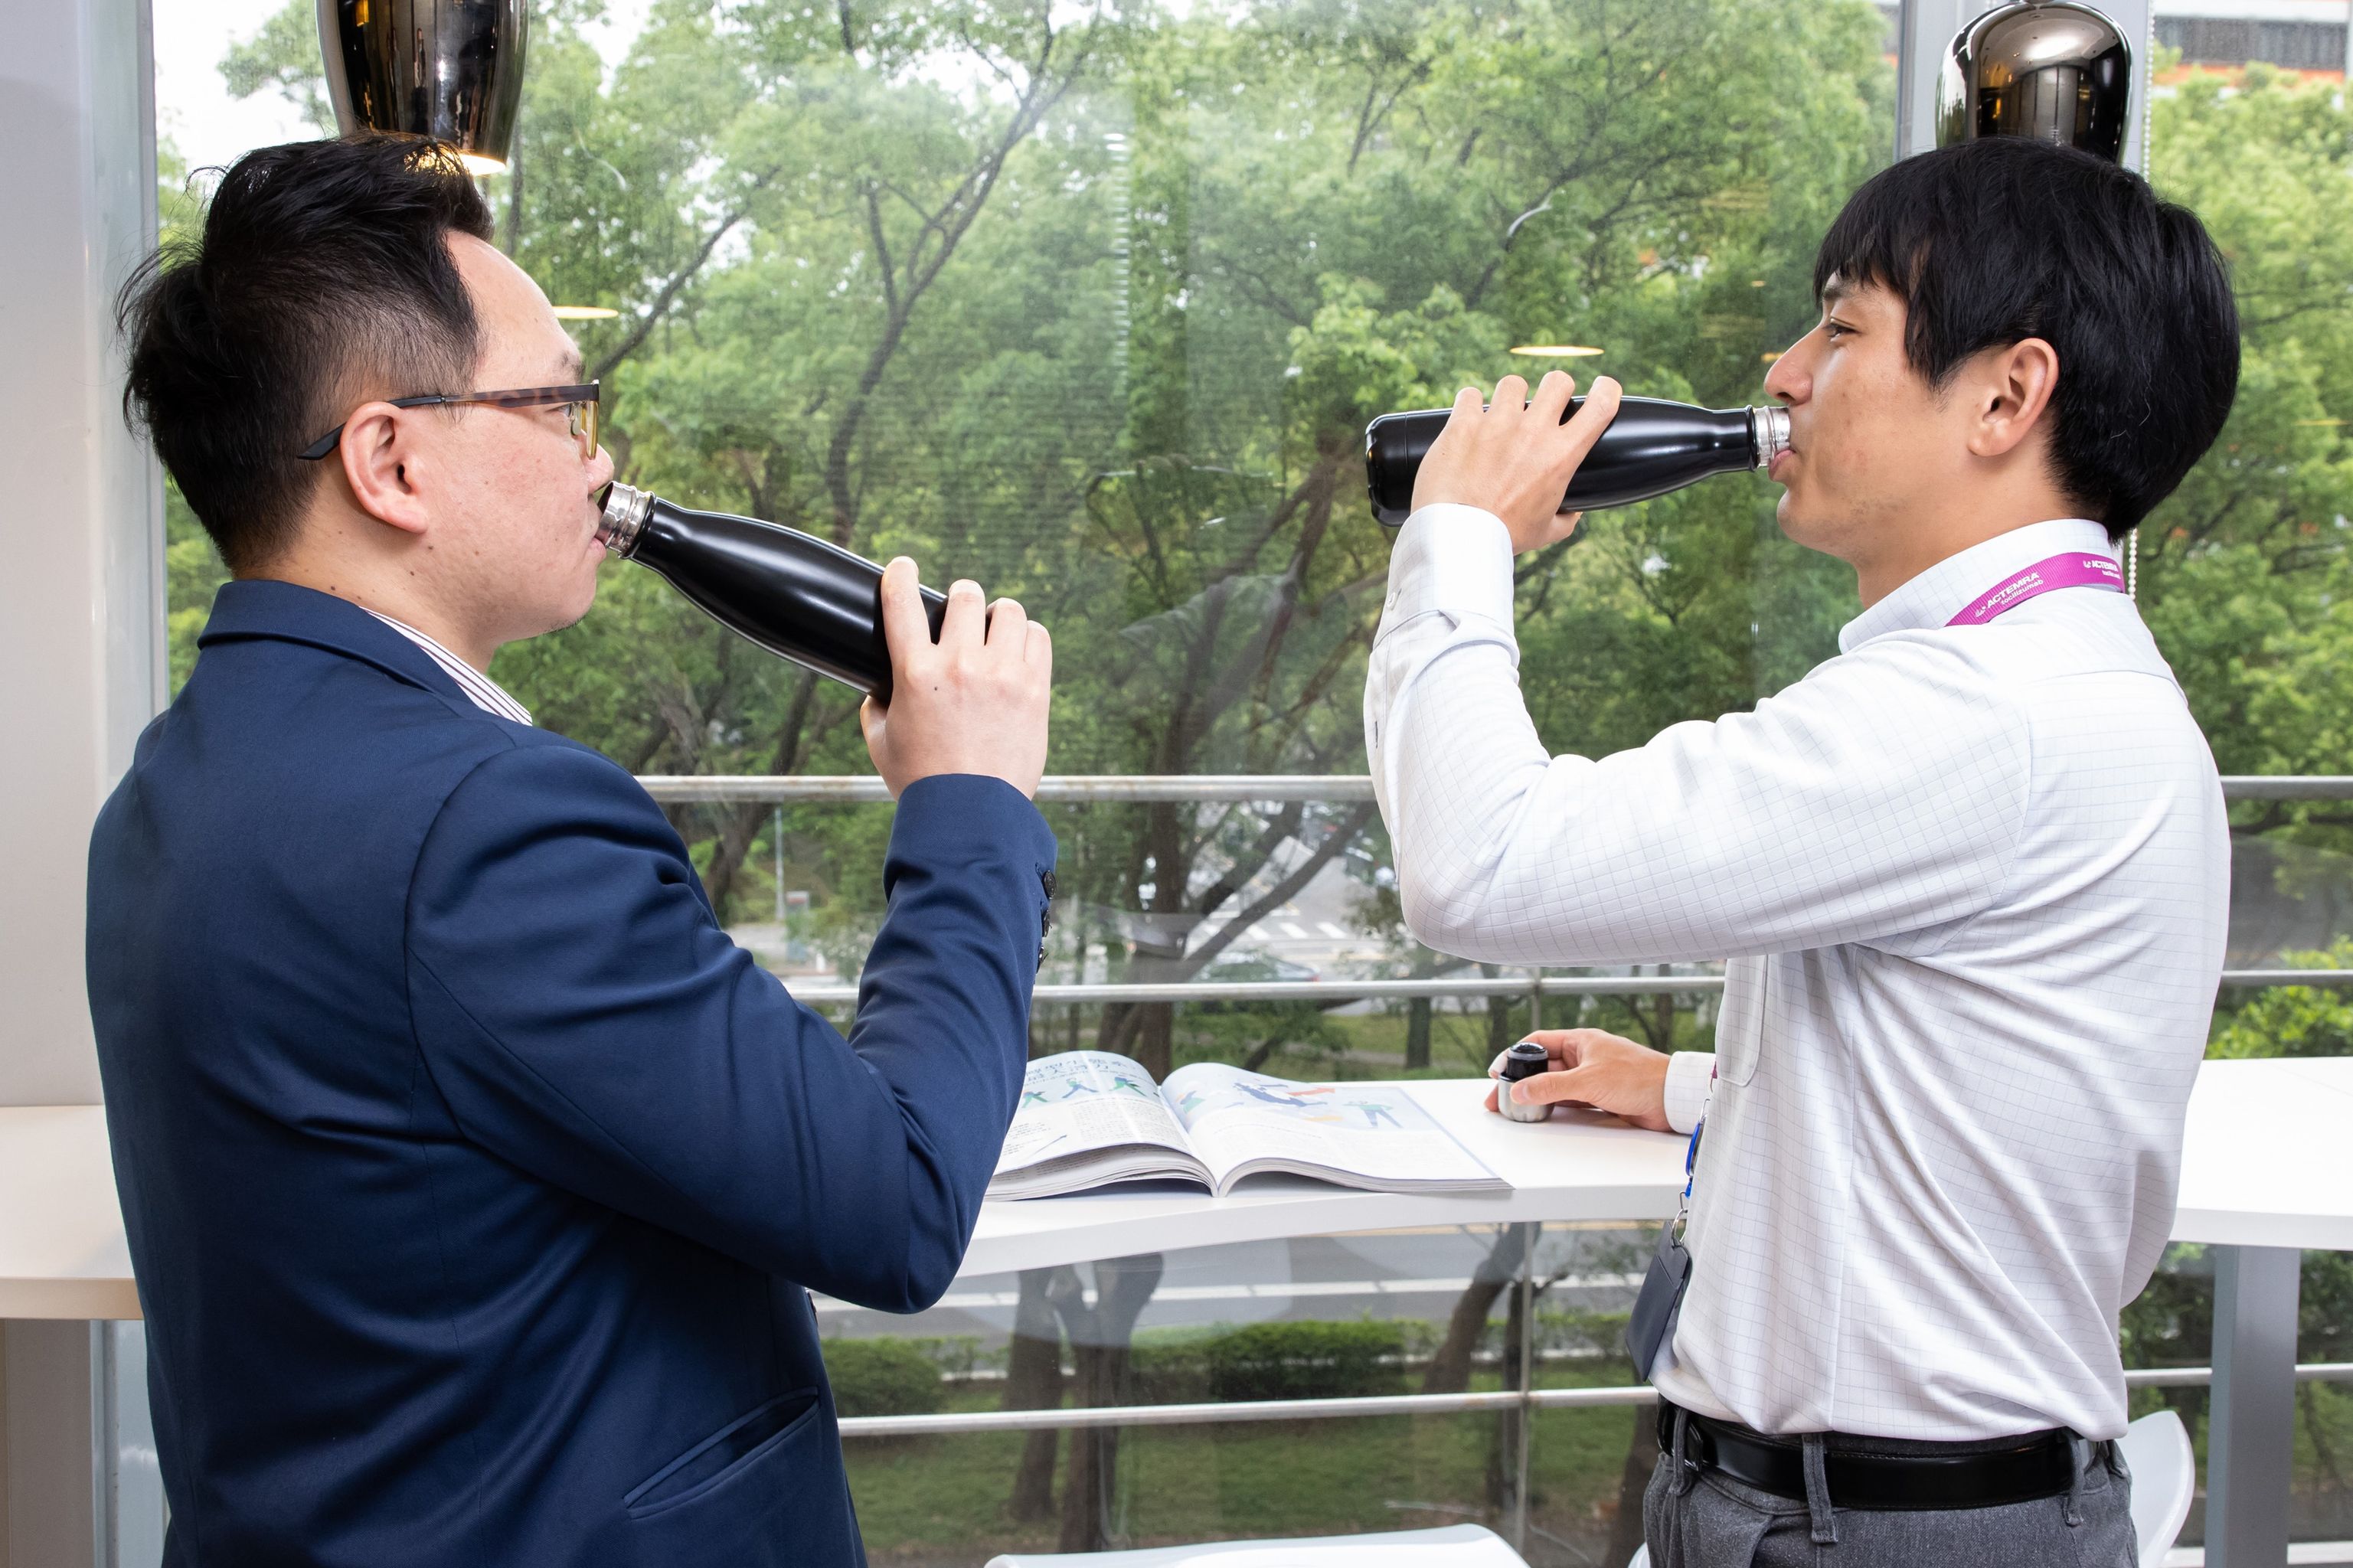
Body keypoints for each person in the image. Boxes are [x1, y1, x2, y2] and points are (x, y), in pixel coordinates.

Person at [87, 134, 1055, 1566]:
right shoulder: (485, 824)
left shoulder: (172, 785)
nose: (598, 463)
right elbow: (895, 1204)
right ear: (391, 458)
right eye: (557, 405)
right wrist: (967, 802)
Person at [1365, 137, 2239, 1565]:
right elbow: (2001, 1088)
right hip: (1888, 1506)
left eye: (1841, 328)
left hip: (1873, 1530)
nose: (1781, 372)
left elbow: (1478, 863)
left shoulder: (1978, 712)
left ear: (2007, 396)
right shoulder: (2061, 678)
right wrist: (1698, 1088)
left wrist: (1460, 541)